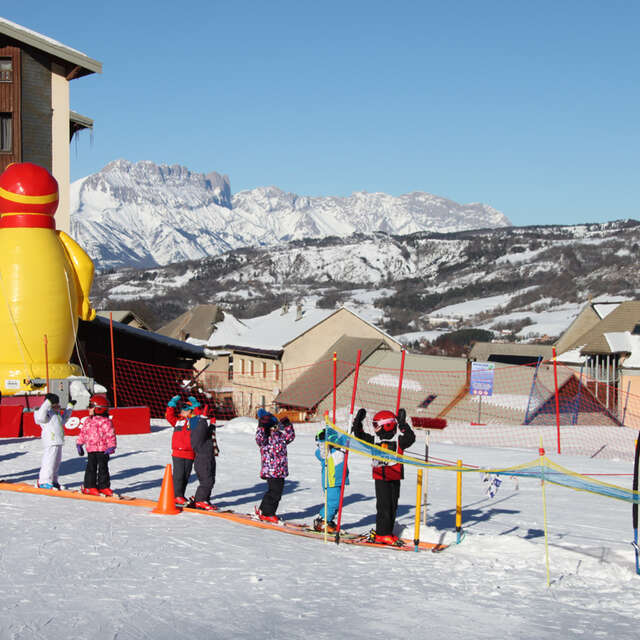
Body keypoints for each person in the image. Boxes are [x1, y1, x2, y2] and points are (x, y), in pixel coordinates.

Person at [352, 407, 415, 545]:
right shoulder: (374, 440)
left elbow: (411, 438)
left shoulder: (399, 440)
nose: (374, 429)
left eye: (376, 425)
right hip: (381, 478)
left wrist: (402, 423)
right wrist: (358, 421)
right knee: (384, 506)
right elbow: (359, 435)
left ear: (387, 425)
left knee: (393, 506)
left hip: (395, 477)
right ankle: (382, 533)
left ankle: (388, 531)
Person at [255, 409, 295, 523]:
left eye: (276, 426)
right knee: (274, 492)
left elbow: (290, 436)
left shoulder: (280, 436)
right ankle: (268, 513)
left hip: (280, 470)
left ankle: (263, 510)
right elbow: (258, 438)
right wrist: (261, 425)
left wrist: (287, 425)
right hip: (271, 470)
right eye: (273, 426)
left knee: (277, 492)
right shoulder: (265, 438)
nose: (275, 429)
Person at [76, 395, 117, 496]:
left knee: (103, 469)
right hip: (91, 449)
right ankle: (89, 486)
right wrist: (79, 444)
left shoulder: (106, 422)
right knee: (91, 468)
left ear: (98, 409)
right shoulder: (88, 421)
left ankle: (104, 486)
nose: (88, 408)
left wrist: (111, 446)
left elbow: (110, 434)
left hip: (103, 450)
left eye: (90, 406)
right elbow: (83, 433)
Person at [34, 392, 74, 490]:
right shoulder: (44, 412)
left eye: (58, 404)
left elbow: (64, 420)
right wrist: (48, 402)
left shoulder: (56, 414)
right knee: (49, 461)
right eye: (55, 404)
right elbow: (40, 418)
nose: (58, 406)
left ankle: (53, 480)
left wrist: (70, 407)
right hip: (50, 441)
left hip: (58, 441)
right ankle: (44, 481)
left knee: (56, 462)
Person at [313, 426, 349, 533]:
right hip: (330, 481)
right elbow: (322, 450)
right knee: (333, 502)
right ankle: (323, 521)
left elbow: (346, 437)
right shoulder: (324, 453)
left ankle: (327, 520)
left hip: (339, 480)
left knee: (336, 503)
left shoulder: (341, 448)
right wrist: (323, 439)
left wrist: (353, 423)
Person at [187, 399, 218, 510]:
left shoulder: (200, 424)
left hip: (209, 456)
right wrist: (203, 417)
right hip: (202, 459)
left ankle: (205, 499)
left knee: (211, 480)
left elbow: (206, 434)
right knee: (206, 481)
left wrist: (212, 423)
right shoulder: (195, 424)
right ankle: (200, 500)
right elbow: (199, 434)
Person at [166, 395, 196, 505]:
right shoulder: (178, 421)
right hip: (178, 453)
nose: (183, 411)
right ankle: (176, 495)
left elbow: (199, 417)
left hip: (190, 453)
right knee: (178, 475)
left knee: (185, 476)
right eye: (182, 408)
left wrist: (196, 407)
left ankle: (180, 495)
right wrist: (171, 405)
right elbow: (169, 416)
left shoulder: (194, 422)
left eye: (187, 409)